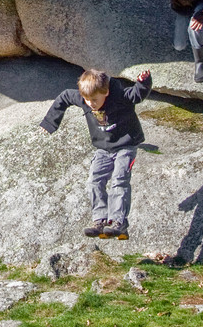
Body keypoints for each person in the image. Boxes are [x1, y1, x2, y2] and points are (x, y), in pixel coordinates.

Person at [40, 68, 152, 240]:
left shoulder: (119, 96)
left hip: (126, 145)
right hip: (103, 148)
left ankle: (118, 223)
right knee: (94, 180)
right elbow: (64, 97)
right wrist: (50, 123)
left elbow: (137, 94)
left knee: (119, 180)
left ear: (106, 92)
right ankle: (100, 220)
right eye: (86, 99)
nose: (90, 103)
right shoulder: (85, 98)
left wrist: (143, 82)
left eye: (94, 99)